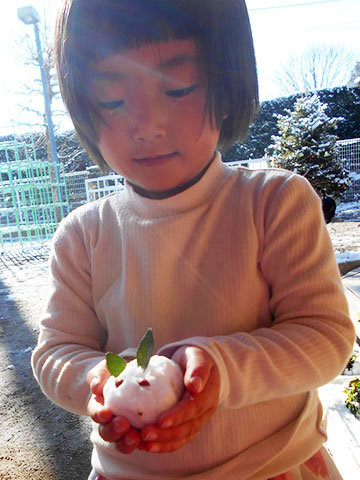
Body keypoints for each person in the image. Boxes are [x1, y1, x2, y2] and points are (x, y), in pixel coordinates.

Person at [31, 1, 355, 479]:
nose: (146, 125)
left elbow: (325, 337)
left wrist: (221, 369)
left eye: (178, 88)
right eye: (112, 99)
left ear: (228, 88)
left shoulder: (273, 203)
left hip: (272, 465)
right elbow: (56, 351)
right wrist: (98, 378)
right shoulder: (83, 236)